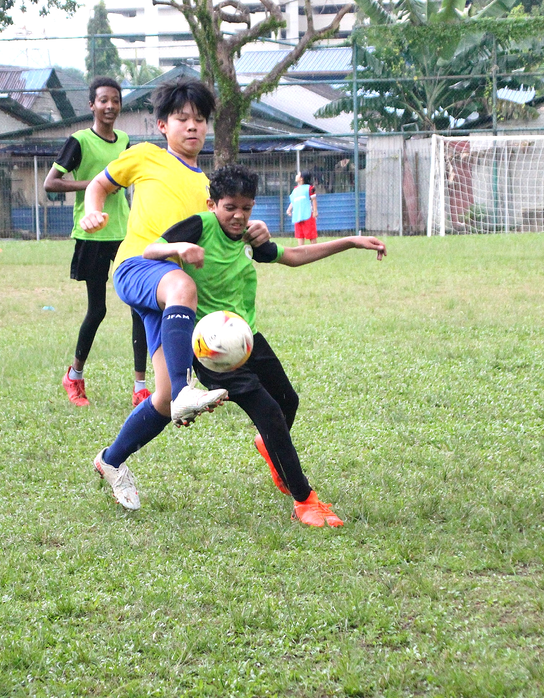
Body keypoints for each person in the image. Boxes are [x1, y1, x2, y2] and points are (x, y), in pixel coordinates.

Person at [145, 165, 386, 527]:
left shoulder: (248, 237)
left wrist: (351, 241)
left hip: (248, 338)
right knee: (269, 412)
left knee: (288, 401)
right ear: (212, 204)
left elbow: (294, 257)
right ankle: (304, 500)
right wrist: (179, 247)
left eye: (246, 207)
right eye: (230, 207)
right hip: (213, 349)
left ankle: (269, 445)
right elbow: (150, 250)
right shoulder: (199, 225)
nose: (238, 215)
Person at [79, 78, 270, 510]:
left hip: (171, 297)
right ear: (163, 125)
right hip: (139, 266)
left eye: (200, 120)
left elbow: (225, 233)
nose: (192, 127)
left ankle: (111, 460)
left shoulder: (209, 190)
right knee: (182, 285)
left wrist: (253, 230)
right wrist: (93, 211)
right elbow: (99, 186)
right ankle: (186, 390)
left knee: (163, 400)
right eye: (182, 119)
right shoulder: (145, 156)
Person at [44, 77, 150, 407]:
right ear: (92, 105)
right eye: (103, 100)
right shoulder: (79, 141)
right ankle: (74, 376)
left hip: (125, 234)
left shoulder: (126, 141)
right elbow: (51, 183)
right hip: (92, 233)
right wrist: (96, 184)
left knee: (139, 307)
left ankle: (141, 387)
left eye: (115, 100)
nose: (110, 106)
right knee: (98, 310)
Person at [286, 172, 317, 246]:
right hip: (297, 215)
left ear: (302, 178)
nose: (296, 176)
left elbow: (314, 199)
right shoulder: (295, 189)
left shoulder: (309, 188)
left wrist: (315, 211)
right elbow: (294, 201)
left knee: (311, 234)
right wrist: (289, 209)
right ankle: (301, 250)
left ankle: (315, 249)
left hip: (308, 214)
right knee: (299, 235)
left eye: (298, 175)